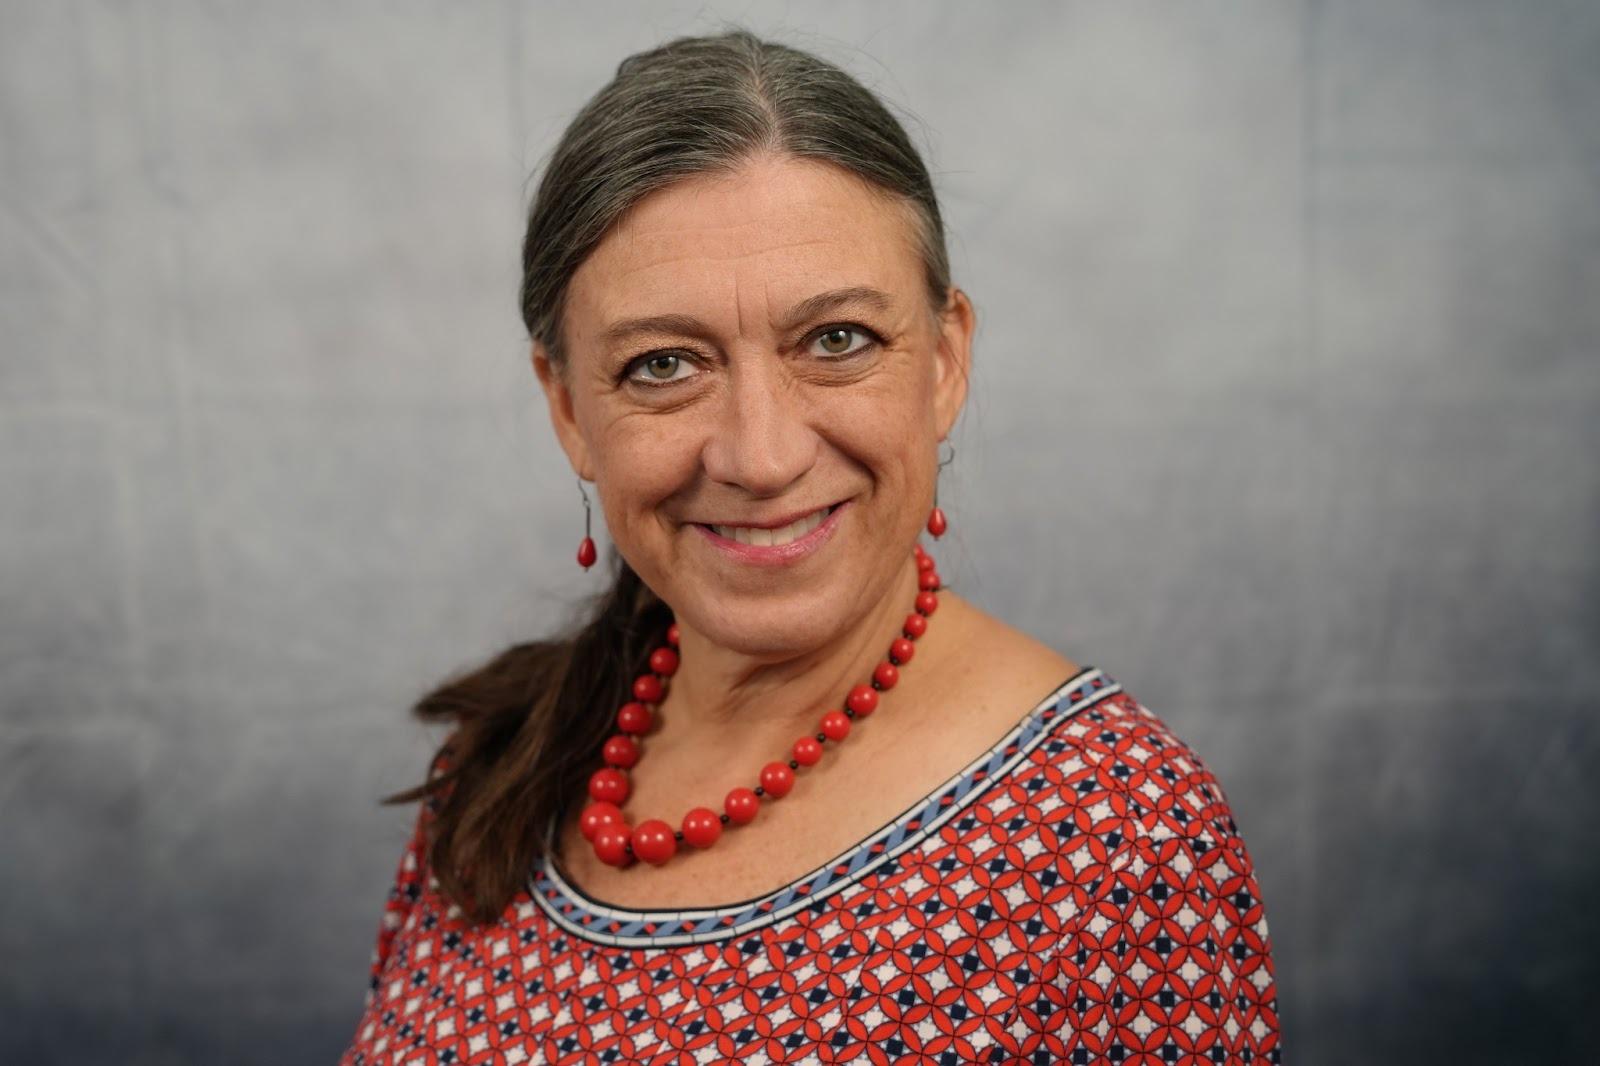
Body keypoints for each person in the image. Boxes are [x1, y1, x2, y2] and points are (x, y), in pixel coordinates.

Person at [339, 28, 1281, 1066]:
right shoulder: (502, 760)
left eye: (837, 341)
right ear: (567, 407)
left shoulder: (1117, 837)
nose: (762, 454)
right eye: (663, 364)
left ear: (943, 363)